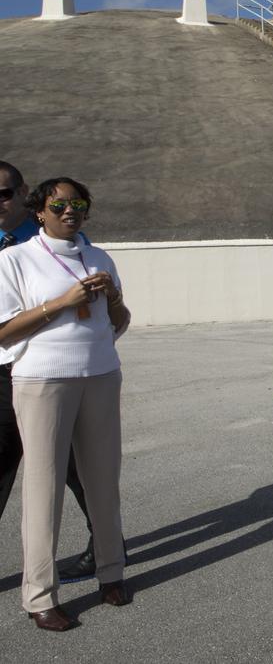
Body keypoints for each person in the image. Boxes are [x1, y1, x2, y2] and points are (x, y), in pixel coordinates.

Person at [0, 176, 132, 632]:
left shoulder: (99, 256)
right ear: (39, 211)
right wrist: (61, 302)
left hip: (99, 374)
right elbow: (3, 331)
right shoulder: (15, 259)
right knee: (44, 487)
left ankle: (111, 574)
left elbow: (121, 322)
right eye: (59, 205)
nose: (70, 211)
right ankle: (39, 596)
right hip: (43, 379)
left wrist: (113, 298)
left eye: (78, 203)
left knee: (103, 480)